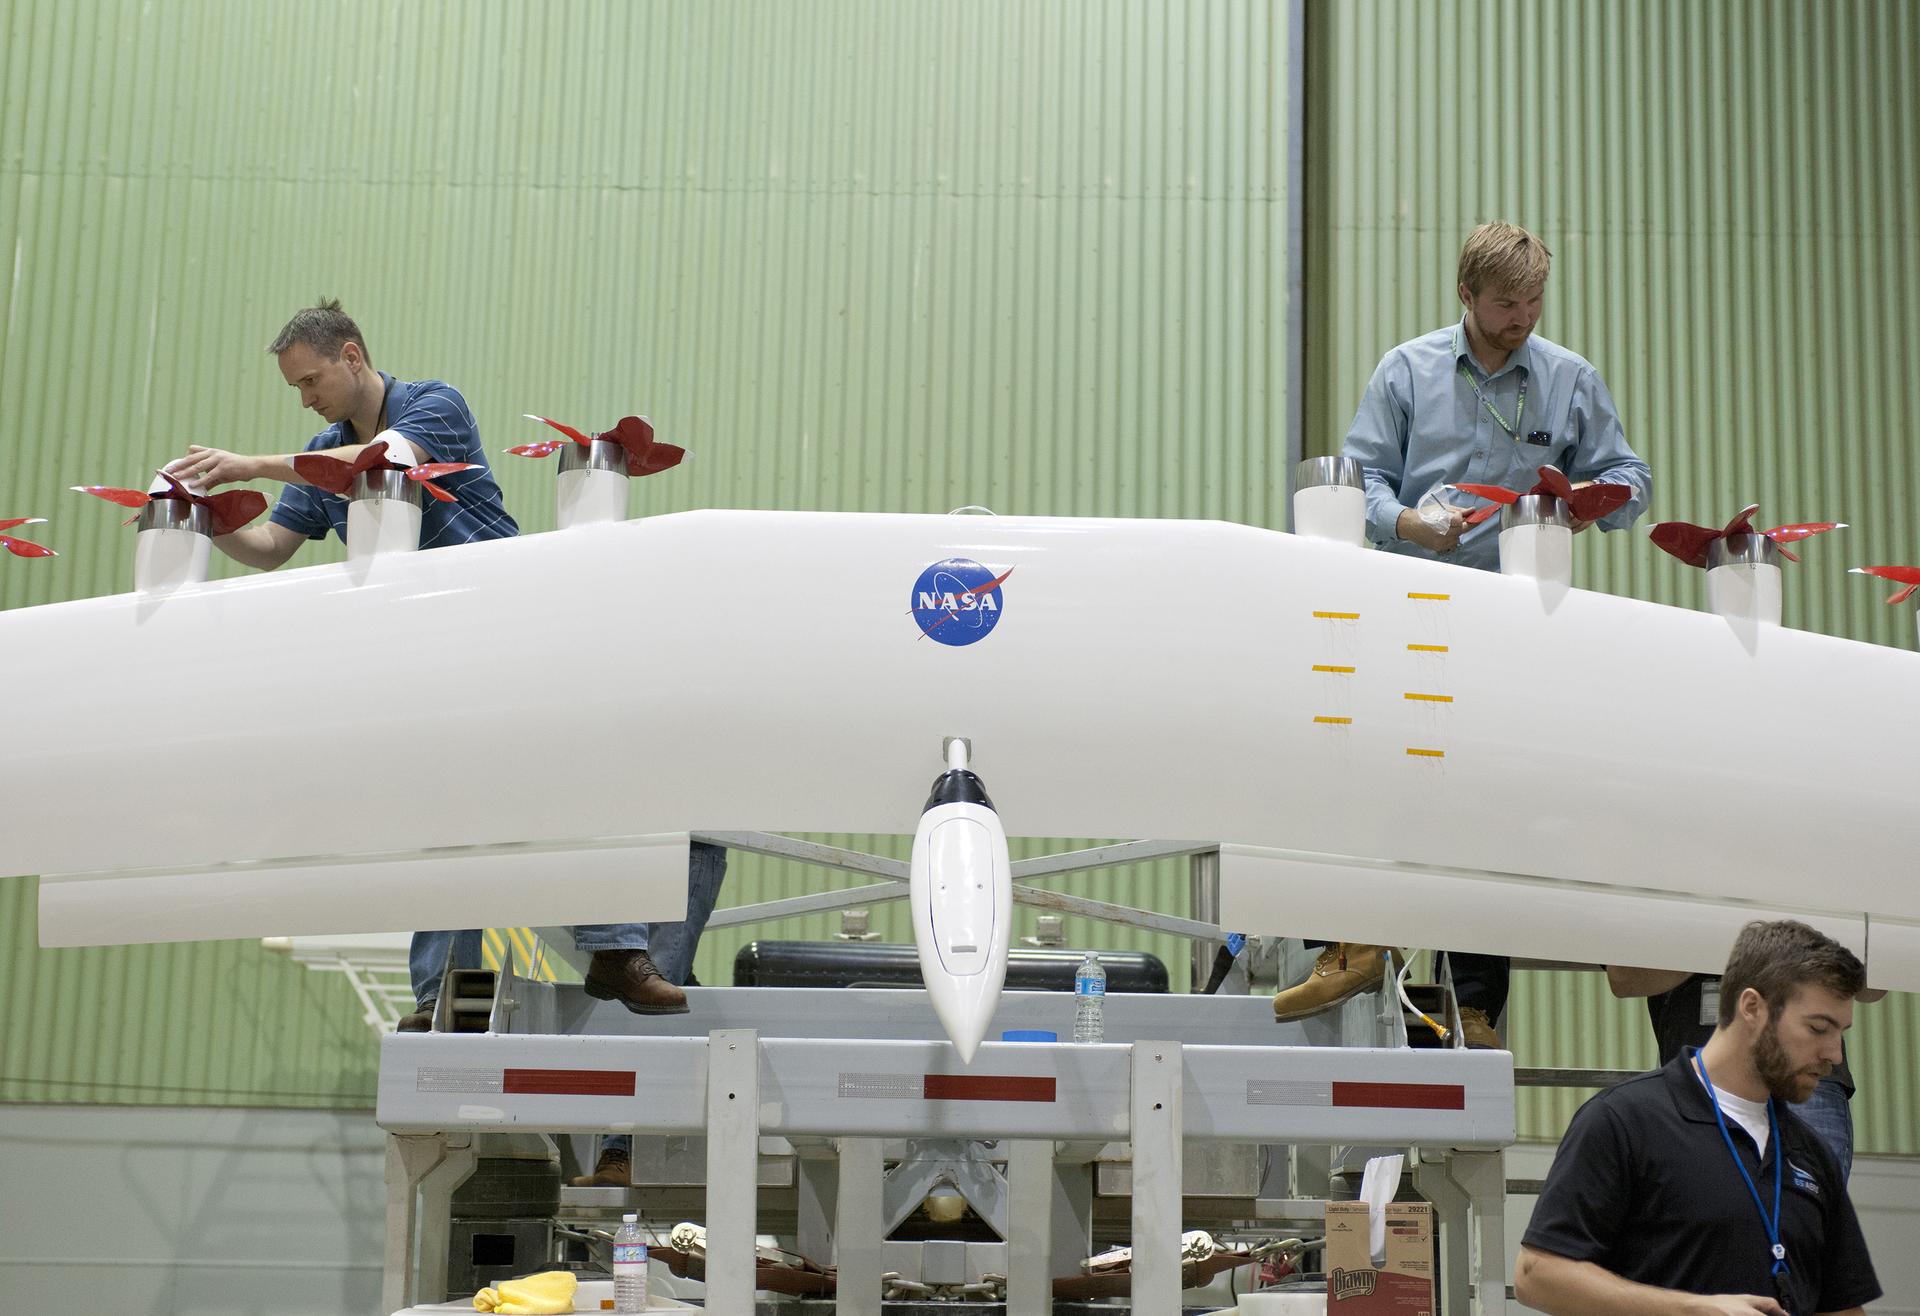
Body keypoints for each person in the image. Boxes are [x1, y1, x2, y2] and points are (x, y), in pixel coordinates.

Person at [165, 299, 691, 1025]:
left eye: (312, 379)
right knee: (442, 810)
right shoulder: (320, 451)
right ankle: (440, 995)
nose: (307, 396)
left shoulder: (434, 406)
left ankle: (615, 948)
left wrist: (250, 461)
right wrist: (208, 517)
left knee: (569, 767)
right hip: (421, 653)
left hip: (503, 625)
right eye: (296, 388)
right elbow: (272, 549)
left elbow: (384, 463)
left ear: (353, 357)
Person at [1271, 223, 1653, 1048]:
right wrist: (1406, 519)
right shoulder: (1406, 370)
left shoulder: (1569, 379)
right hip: (1409, 597)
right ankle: (1351, 942)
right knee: (1373, 764)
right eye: (1505, 304)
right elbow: (1362, 473)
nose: (1522, 318)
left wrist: (1585, 501)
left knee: (1490, 796)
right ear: (1465, 296)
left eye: (1534, 302)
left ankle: (1471, 1003)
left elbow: (1632, 480)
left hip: (1513, 621)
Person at [1516, 920, 1879, 1316]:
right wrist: (1691, 1309)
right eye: (1818, 1028)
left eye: (1840, 1032)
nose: (1835, 1054)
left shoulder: (1810, 1153)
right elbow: (1537, 1275)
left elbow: (1841, 1304)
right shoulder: (1624, 1121)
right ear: (1752, 1008)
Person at [1606, 965, 1885, 1180]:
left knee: (1807, 1230)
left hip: (1804, 1077)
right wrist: (1737, 937)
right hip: (1705, 1081)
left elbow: (1875, 980)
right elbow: (1624, 978)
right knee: (1704, 1227)